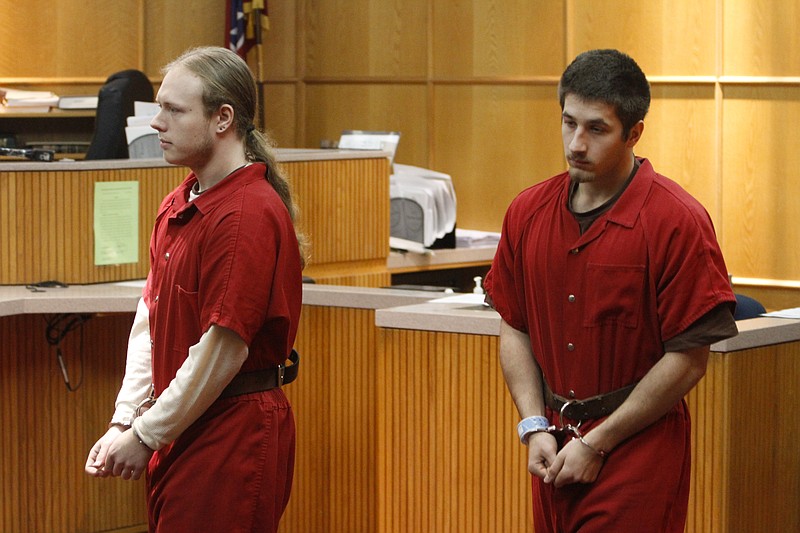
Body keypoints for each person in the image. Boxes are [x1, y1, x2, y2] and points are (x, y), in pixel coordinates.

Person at [484, 49, 738, 532]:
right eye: (568, 123)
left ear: (634, 132)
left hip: (637, 449)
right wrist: (533, 424)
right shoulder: (526, 212)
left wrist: (598, 442)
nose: (576, 143)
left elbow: (689, 358)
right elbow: (514, 326)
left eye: (596, 129)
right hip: (556, 444)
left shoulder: (676, 220)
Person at [84, 46, 305, 533]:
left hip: (232, 433)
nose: (156, 123)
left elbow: (221, 350)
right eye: (158, 106)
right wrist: (126, 419)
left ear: (223, 118)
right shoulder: (181, 200)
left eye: (174, 110)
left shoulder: (246, 213)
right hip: (185, 425)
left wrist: (145, 434)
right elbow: (151, 320)